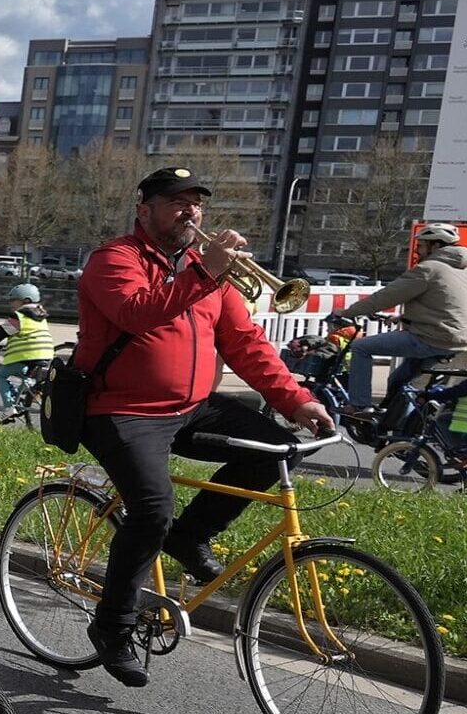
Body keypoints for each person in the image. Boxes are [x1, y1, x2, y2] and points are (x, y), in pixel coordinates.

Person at [74, 165, 334, 687]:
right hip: (122, 409)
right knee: (152, 509)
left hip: (190, 406)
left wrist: (296, 401)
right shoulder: (115, 259)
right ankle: (112, 626)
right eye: (177, 202)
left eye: (196, 203)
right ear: (144, 211)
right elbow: (136, 313)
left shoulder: (206, 272)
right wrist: (205, 273)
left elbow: (246, 344)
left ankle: (190, 537)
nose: (190, 211)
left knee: (277, 448)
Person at [326, 221, 467, 413]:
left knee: (361, 347)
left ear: (435, 246)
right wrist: (402, 318)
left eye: (421, 246)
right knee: (398, 380)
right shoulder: (463, 270)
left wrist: (345, 312)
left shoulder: (429, 269)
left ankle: (359, 405)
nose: (417, 251)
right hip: (458, 342)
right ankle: (396, 423)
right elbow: (447, 306)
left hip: (431, 338)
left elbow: (384, 297)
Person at [0, 282, 55, 418]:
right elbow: (26, 336)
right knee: (25, 376)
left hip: (28, 354)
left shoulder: (20, 316)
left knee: (1, 375)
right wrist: (4, 346)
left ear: (26, 301)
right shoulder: (40, 316)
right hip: (45, 352)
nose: (10, 303)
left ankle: (9, 408)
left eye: (14, 300)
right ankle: (27, 390)